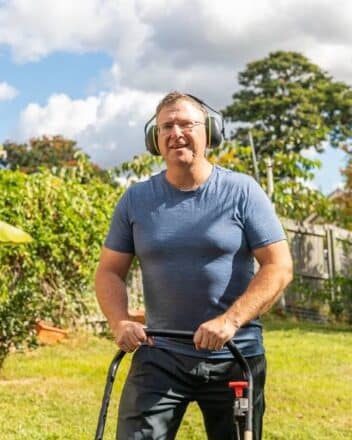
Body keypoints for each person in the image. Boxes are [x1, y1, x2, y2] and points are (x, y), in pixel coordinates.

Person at [95, 91, 293, 440]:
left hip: (234, 354)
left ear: (210, 132)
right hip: (160, 355)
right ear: (154, 139)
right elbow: (110, 270)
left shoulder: (243, 192)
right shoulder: (135, 200)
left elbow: (278, 266)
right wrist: (120, 321)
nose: (176, 133)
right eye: (166, 126)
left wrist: (230, 321)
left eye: (187, 124)